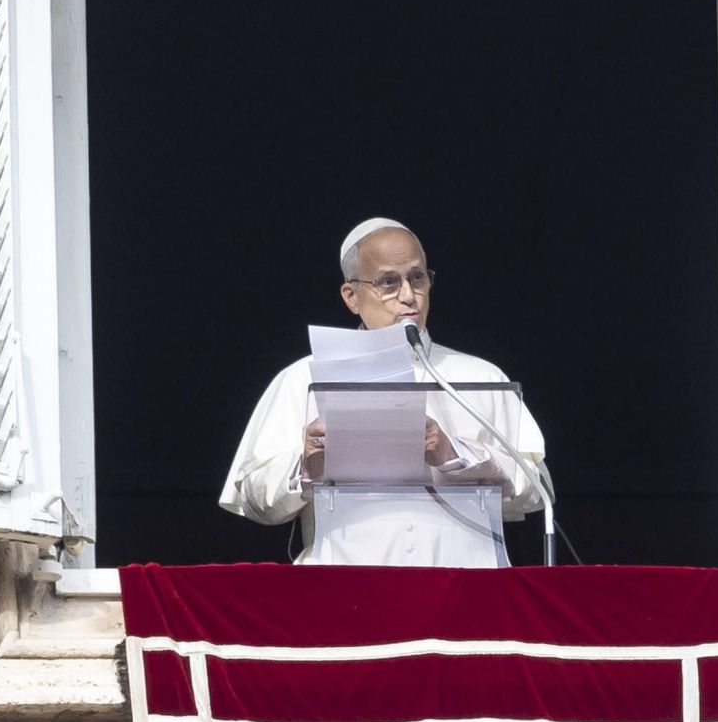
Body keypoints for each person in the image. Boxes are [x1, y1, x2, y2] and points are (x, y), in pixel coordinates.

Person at [218, 218, 551, 566]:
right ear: (351, 296)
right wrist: (306, 465)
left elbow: (537, 492)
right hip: (343, 596)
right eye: (388, 282)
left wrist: (456, 456)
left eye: (417, 278)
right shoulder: (300, 379)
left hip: (463, 594)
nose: (408, 296)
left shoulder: (481, 375)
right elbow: (256, 502)